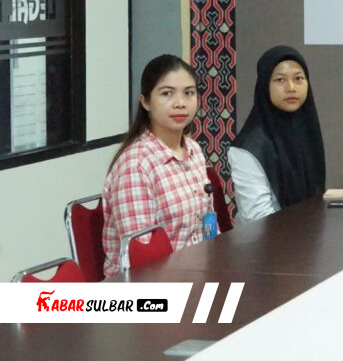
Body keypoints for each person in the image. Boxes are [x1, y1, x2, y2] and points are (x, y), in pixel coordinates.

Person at [101, 55, 211, 277]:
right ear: (145, 102)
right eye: (167, 93)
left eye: (189, 93)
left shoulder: (193, 150)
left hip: (196, 274)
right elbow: (143, 260)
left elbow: (207, 226)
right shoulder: (135, 165)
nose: (180, 103)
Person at [229, 46, 326, 222]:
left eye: (298, 78)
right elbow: (257, 218)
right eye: (280, 80)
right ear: (265, 85)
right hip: (266, 237)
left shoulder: (307, 132)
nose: (291, 87)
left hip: (306, 233)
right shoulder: (248, 147)